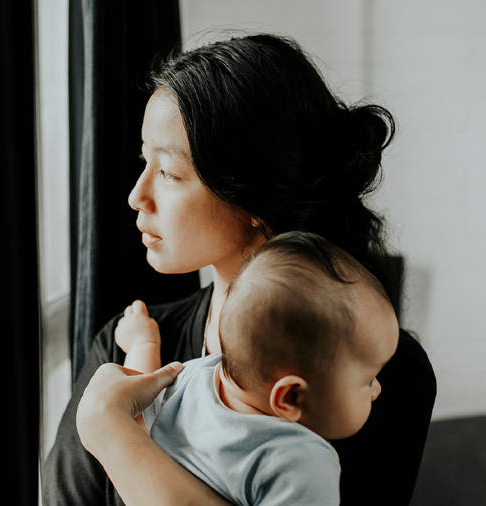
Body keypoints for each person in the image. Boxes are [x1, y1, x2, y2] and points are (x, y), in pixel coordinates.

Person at [42, 33, 436, 506]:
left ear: (250, 194)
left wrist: (109, 431)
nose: (136, 195)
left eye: (168, 172)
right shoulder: (124, 344)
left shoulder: (373, 376)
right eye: (144, 162)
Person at [107, 231, 399, 505]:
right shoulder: (301, 464)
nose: (377, 389)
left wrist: (142, 345)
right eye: (367, 380)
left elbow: (137, 406)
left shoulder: (193, 378)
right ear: (291, 397)